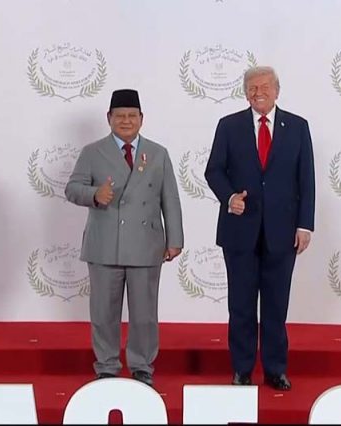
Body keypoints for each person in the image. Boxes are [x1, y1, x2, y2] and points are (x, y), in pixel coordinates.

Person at [204, 66, 315, 391]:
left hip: (283, 233)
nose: (258, 93)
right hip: (240, 231)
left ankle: (275, 369)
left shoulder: (297, 127)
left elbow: (306, 179)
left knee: (275, 307)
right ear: (245, 92)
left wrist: (304, 225)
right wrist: (229, 197)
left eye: (265, 87)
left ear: (277, 90)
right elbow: (214, 170)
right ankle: (241, 369)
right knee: (240, 306)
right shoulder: (229, 126)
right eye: (252, 88)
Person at [65, 89, 184, 388]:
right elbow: (72, 188)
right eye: (120, 116)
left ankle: (142, 365)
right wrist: (95, 194)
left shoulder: (158, 153)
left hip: (146, 244)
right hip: (105, 243)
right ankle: (107, 365)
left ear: (142, 119)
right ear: (109, 118)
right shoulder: (92, 152)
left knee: (144, 314)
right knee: (103, 312)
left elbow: (169, 198)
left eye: (132, 115)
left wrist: (175, 238)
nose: (126, 121)